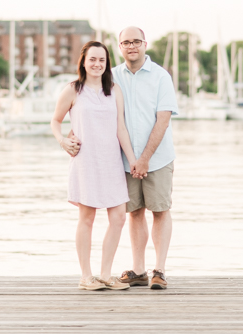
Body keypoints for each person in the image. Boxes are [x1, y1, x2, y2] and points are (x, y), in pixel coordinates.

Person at [64, 27, 179, 290]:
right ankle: (138, 271)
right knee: (134, 212)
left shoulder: (161, 77)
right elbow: (89, 108)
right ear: (119, 46)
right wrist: (71, 134)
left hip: (157, 158)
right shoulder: (110, 76)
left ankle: (159, 270)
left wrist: (145, 158)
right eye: (125, 42)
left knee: (160, 210)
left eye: (136, 41)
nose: (131, 46)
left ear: (145, 44)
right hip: (122, 160)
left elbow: (163, 121)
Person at [51, 40, 141, 291]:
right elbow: (55, 121)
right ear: (83, 61)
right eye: (92, 59)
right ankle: (85, 276)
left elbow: (120, 128)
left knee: (118, 218)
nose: (97, 64)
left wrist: (132, 159)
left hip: (111, 161)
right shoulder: (72, 90)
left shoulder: (114, 89)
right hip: (86, 161)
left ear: (107, 63)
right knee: (87, 218)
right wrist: (62, 141)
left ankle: (104, 274)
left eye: (102, 60)